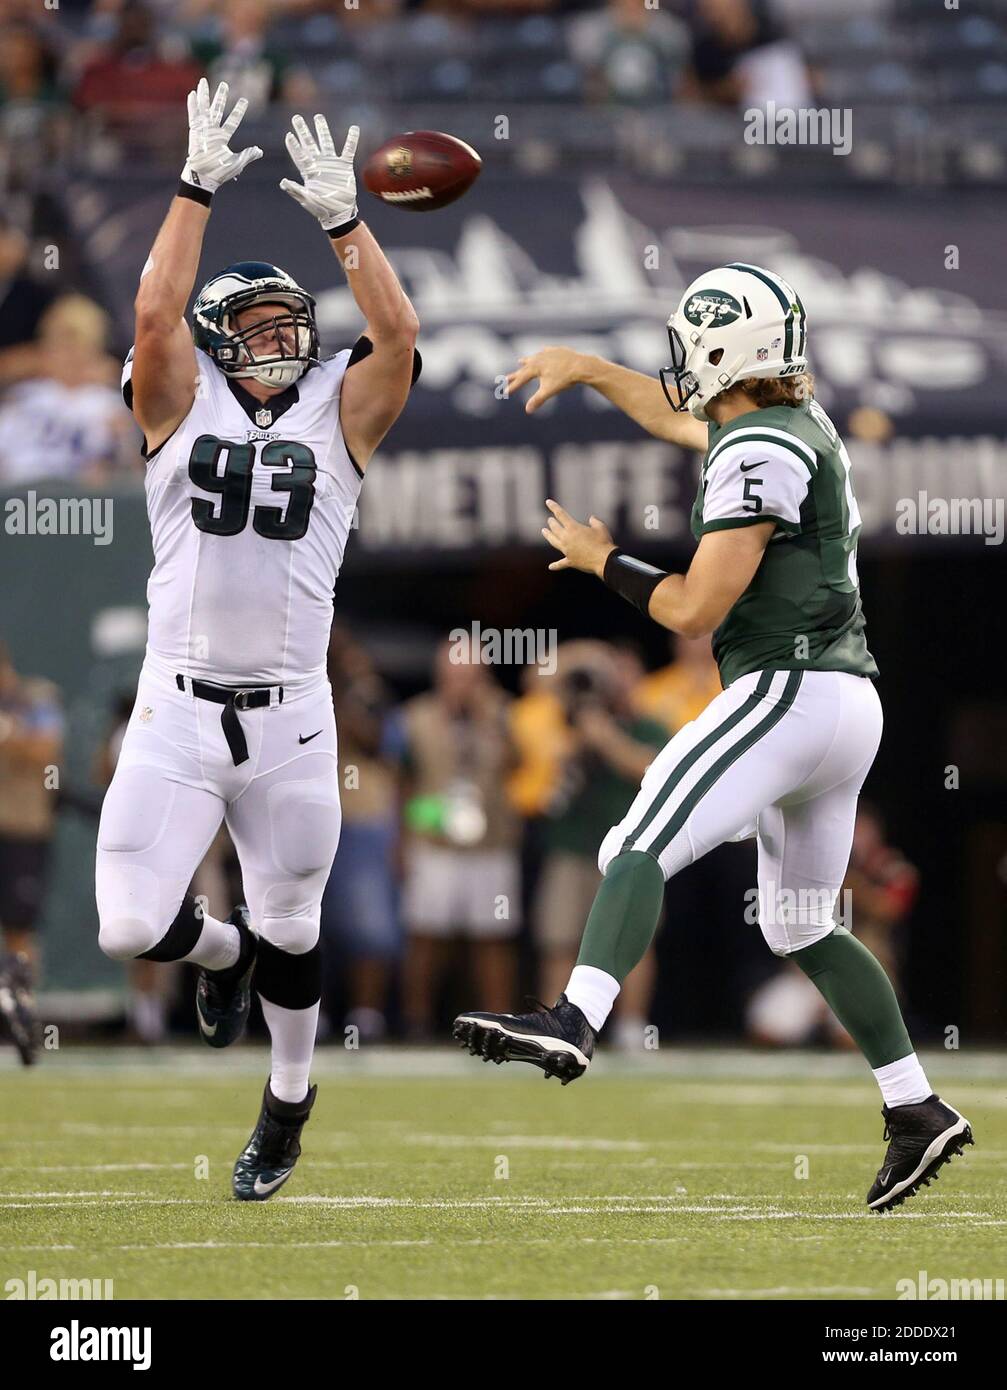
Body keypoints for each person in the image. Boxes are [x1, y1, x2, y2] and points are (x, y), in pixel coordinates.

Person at [454, 262, 973, 1212]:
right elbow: (674, 416)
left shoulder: (756, 451)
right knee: (800, 923)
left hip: (786, 689)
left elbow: (694, 610)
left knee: (636, 840)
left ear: (720, 349)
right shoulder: (788, 426)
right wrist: (590, 368)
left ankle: (577, 1017)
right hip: (844, 701)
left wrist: (601, 559)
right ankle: (915, 1106)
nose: (681, 363)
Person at [94, 79, 420, 1200]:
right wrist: (192, 189)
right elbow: (148, 319)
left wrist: (346, 220)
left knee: (295, 921)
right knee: (129, 922)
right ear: (219, 342)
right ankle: (215, 955)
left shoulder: (343, 407)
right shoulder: (176, 397)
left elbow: (398, 331)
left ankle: (285, 1104)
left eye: (294, 325)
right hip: (176, 705)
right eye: (262, 327)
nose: (284, 341)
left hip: (290, 715)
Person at [0, 640, 64, 1065]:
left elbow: (47, 753)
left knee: (20, 929)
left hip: (23, 831)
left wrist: (8, 733)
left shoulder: (36, 699)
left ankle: (21, 1014)